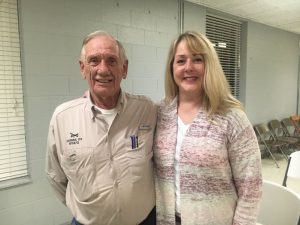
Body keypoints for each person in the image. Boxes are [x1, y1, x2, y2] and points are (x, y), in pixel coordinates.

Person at [45, 30, 157, 225]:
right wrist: (86, 209)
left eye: (112, 60)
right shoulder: (62, 118)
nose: (103, 70)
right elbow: (56, 177)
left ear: (125, 68)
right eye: (94, 60)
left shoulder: (147, 110)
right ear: (83, 68)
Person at [153, 31, 262, 225]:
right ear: (171, 68)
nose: (188, 67)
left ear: (209, 65)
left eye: (197, 59)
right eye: (180, 61)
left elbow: (251, 187)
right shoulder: (161, 112)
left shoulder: (232, 117)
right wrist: (95, 101)